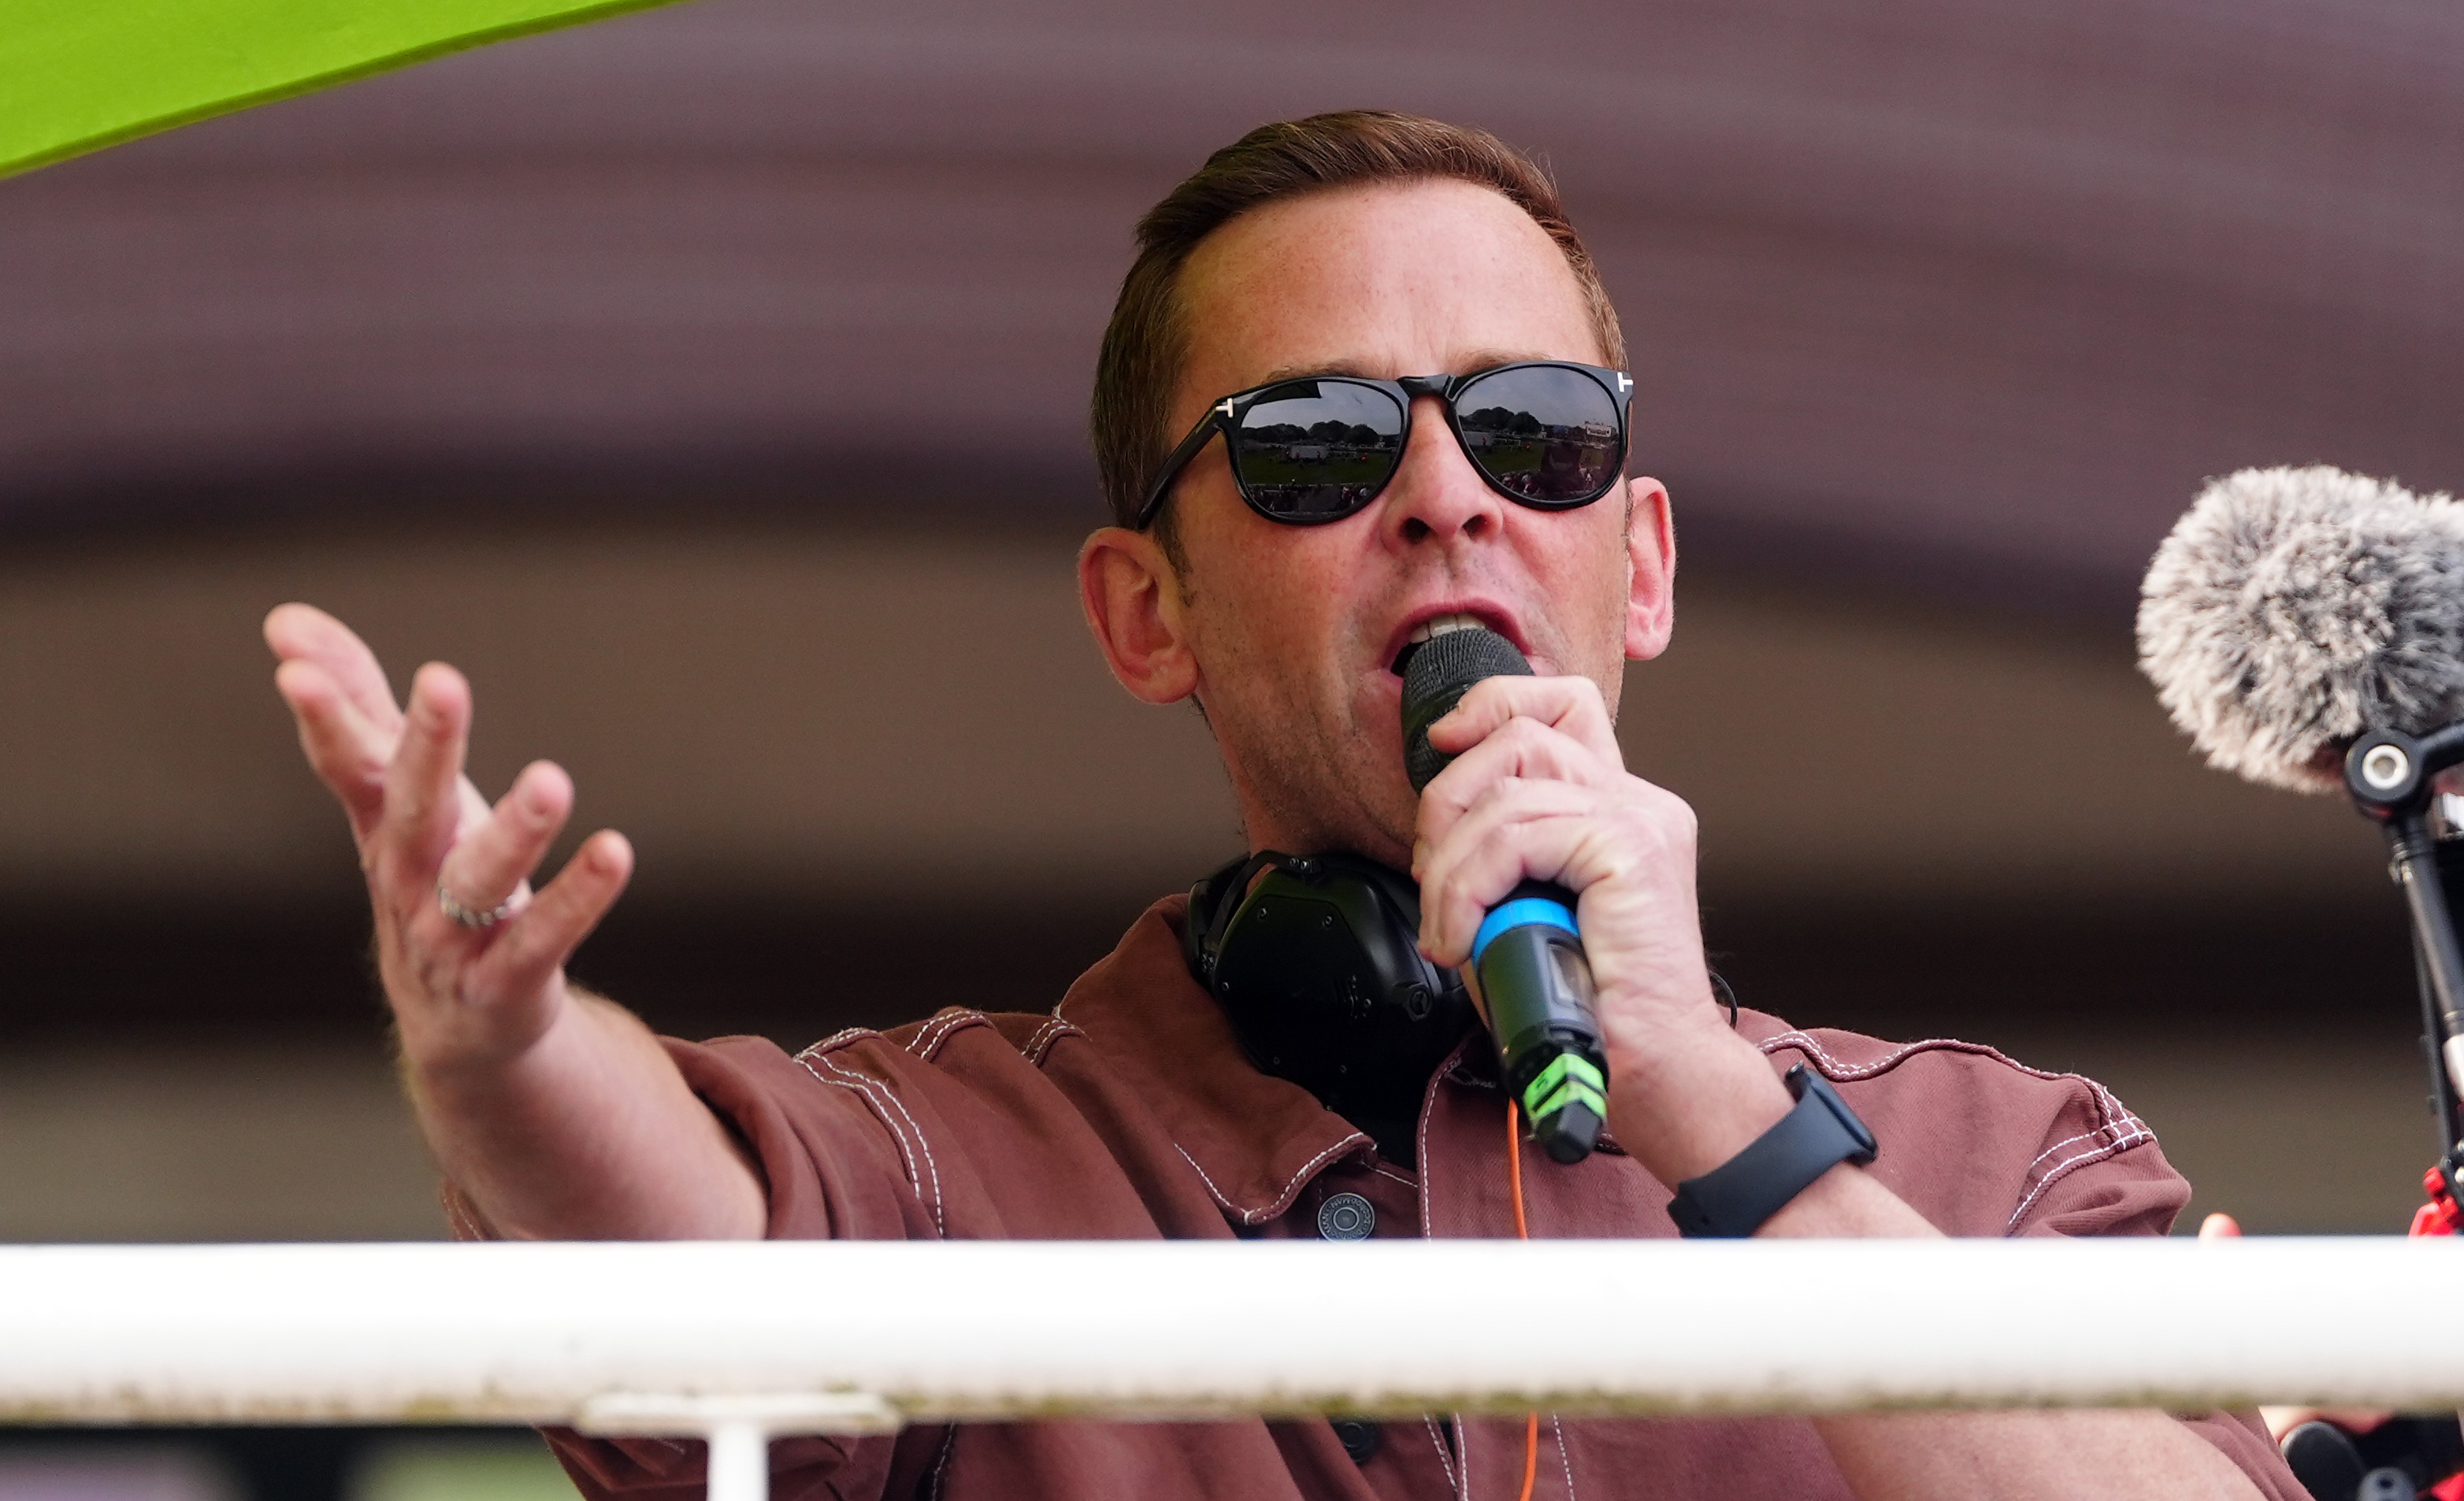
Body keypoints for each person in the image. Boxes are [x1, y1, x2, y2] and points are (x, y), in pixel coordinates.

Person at [265, 110, 2305, 1501]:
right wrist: (501, 1053)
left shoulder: (1990, 1165)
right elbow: (686, 1229)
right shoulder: (959, 1160)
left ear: (1645, 565)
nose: (1447, 494)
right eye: (1318, 442)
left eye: (1536, 428)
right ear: (1144, 612)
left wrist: (1718, 1111)